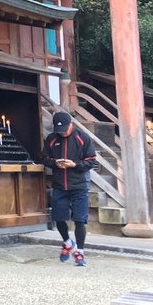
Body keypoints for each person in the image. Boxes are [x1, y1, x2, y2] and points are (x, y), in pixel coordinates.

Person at [41, 110, 97, 267]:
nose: (63, 132)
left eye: (65, 129)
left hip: (79, 184)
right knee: (58, 217)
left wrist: (74, 164)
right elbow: (45, 158)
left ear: (71, 124)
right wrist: (55, 163)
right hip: (59, 184)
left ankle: (80, 251)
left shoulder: (83, 138)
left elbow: (91, 160)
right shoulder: (52, 138)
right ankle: (67, 242)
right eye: (59, 130)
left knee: (79, 219)